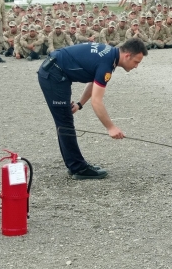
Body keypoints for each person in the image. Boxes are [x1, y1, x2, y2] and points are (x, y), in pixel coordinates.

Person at [37, 38, 147, 180]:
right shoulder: (106, 63)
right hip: (53, 74)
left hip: (57, 72)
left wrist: (80, 104)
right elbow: (96, 101)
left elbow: (93, 81)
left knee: (65, 120)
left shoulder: (111, 56)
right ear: (127, 56)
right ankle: (78, 168)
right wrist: (111, 127)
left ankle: (74, 165)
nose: (136, 66)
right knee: (64, 121)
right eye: (136, 62)